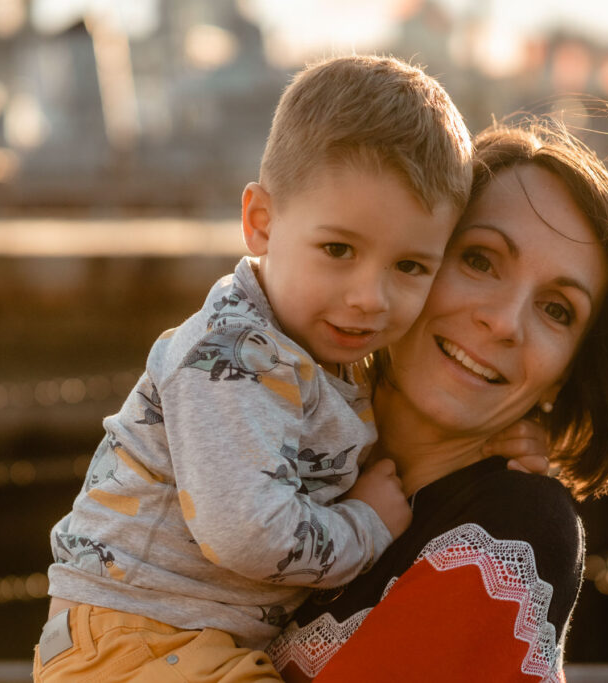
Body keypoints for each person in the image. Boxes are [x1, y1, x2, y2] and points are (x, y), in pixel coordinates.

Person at [34, 56, 542, 683]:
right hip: (135, 637)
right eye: (338, 250)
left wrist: (491, 441)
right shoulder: (232, 358)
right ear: (261, 223)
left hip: (186, 642)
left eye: (409, 266)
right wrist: (366, 524)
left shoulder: (322, 355)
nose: (369, 297)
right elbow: (248, 534)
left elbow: (382, 442)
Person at [267, 117, 608, 682]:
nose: (503, 322)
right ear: (410, 261)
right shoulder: (276, 430)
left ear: (565, 374)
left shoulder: (514, 532)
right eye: (480, 260)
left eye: (557, 310)